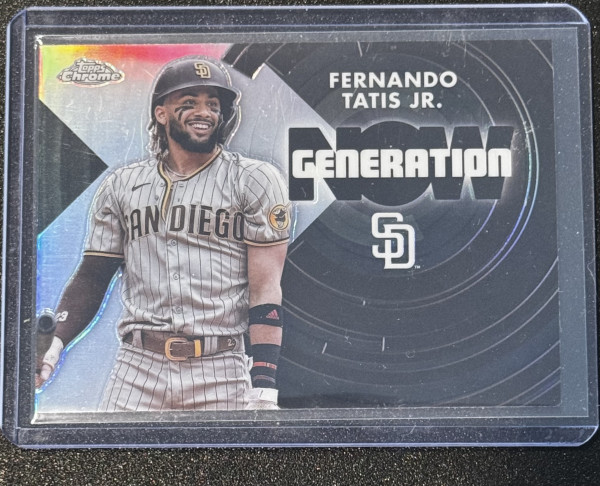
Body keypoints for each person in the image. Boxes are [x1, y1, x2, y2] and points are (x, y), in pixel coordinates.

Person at [35, 56, 291, 411]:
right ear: (161, 113)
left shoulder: (254, 179)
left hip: (220, 369)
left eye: (213, 104)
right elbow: (93, 276)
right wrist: (56, 342)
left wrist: (264, 386)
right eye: (189, 102)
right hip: (137, 368)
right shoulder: (122, 185)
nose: (204, 112)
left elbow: (265, 289)